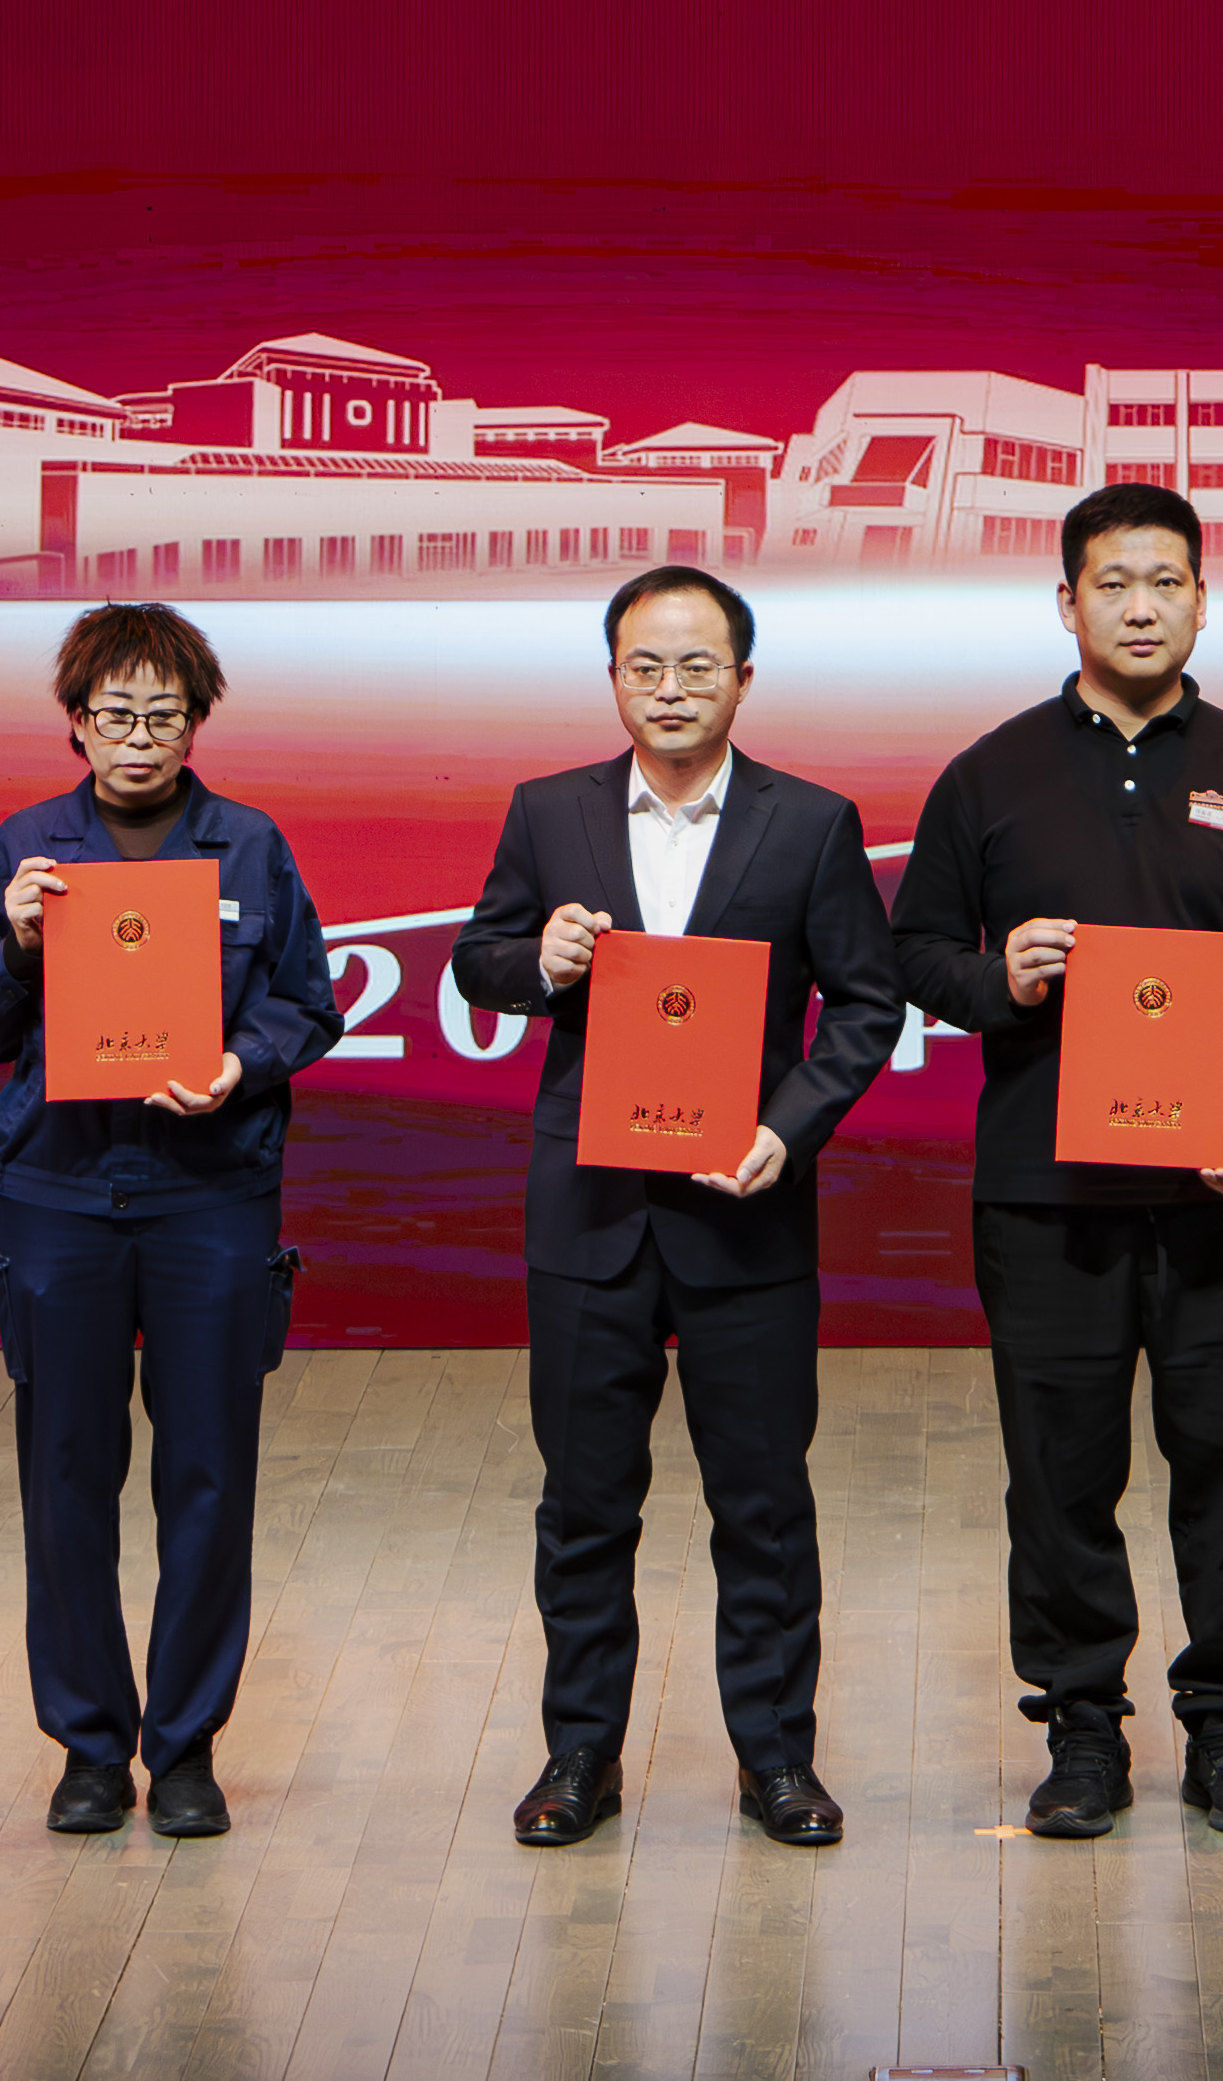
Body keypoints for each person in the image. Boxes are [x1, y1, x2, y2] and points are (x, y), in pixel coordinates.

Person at [892, 481, 1223, 1839]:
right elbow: (913, 950)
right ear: (1066, 603)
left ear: (1203, 601)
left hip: (1220, 1194)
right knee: (1058, 1473)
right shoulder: (990, 775)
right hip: (1045, 1199)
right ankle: (1081, 1729)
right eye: (1112, 583)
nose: (1140, 607)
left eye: (1165, 582)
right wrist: (999, 979)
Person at [446, 564, 904, 1851]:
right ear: (612, 677)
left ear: (743, 680)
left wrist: (785, 1130)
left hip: (743, 1212)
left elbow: (866, 1005)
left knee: (762, 1504)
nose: (670, 689)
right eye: (645, 666)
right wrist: (536, 964)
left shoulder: (811, 823)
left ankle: (776, 1759)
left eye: (698, 666)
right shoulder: (550, 811)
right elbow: (478, 958)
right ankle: (579, 1754)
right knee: (585, 1503)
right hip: (589, 1216)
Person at [0, 600, 346, 1840]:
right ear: (75, 721)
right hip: (60, 1196)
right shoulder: (28, 848)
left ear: (197, 722)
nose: (141, 739)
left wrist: (240, 1063)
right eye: (116, 715)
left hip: (210, 1195)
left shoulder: (250, 847)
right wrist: (15, 947)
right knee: (66, 1473)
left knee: (208, 1472)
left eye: (165, 716)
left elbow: (308, 1005)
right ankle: (89, 1746)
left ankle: (188, 1745)